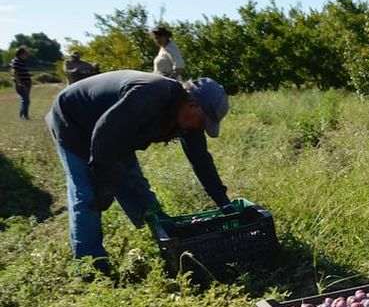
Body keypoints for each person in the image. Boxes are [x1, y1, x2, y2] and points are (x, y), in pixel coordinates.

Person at [45, 70, 232, 274]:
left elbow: (201, 161)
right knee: (88, 194)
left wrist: (224, 203)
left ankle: (165, 238)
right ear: (192, 105)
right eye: (203, 121)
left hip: (115, 130)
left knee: (134, 185)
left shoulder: (187, 118)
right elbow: (104, 133)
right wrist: (103, 181)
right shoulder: (150, 95)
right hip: (74, 121)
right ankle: (89, 265)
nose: (201, 127)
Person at [9, 46, 32, 119]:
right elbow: (14, 72)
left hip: (25, 83)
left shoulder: (21, 62)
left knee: (25, 100)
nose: (27, 55)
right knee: (26, 100)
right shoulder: (16, 61)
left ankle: (22, 115)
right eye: (25, 54)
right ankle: (24, 116)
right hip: (22, 84)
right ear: (21, 54)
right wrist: (19, 83)